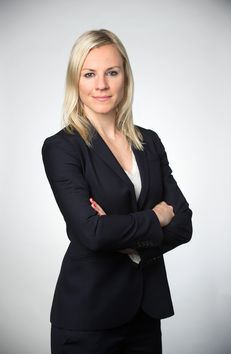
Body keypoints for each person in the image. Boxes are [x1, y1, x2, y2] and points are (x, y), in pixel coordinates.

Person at [42, 29, 193, 354]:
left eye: (112, 72)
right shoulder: (62, 148)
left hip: (145, 314)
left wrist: (127, 242)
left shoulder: (149, 141)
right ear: (75, 80)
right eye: (89, 74)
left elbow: (183, 224)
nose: (101, 85)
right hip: (89, 317)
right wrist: (155, 217)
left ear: (125, 76)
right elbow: (91, 232)